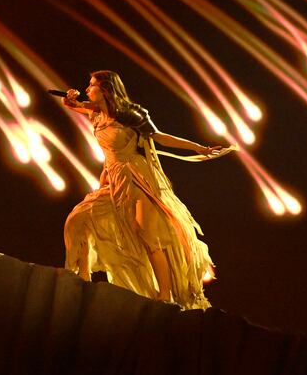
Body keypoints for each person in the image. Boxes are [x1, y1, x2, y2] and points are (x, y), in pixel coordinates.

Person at [61, 70, 232, 309]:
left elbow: (160, 137)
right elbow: (72, 104)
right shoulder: (96, 113)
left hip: (137, 177)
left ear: (107, 90)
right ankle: (83, 276)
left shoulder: (131, 114)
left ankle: (164, 295)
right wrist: (68, 99)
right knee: (80, 218)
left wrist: (199, 148)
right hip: (112, 178)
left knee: (147, 232)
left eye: (92, 85)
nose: (87, 89)